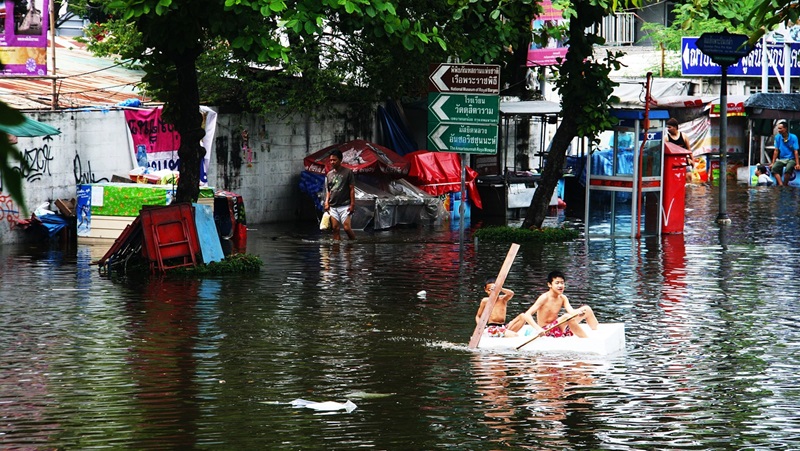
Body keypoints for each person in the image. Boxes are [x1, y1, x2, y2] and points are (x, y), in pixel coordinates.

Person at [507, 270, 598, 338]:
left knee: (587, 309)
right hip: (547, 331)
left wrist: (579, 313)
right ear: (550, 285)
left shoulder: (563, 297)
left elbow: (571, 312)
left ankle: (597, 333)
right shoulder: (544, 297)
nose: (560, 286)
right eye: (557, 283)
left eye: (562, 283)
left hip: (558, 327)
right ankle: (586, 340)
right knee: (566, 317)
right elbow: (527, 314)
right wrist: (538, 329)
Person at [324, 149, 356, 240]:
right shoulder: (329, 174)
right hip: (333, 206)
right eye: (330, 160)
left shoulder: (348, 172)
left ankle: (353, 244)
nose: (332, 162)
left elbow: (352, 189)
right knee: (335, 229)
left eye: (334, 160)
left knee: (346, 228)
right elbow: (328, 190)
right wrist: (326, 202)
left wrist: (352, 204)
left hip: (345, 205)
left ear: (340, 160)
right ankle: (335, 251)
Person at [770, 119, 800, 186]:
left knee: (788, 169)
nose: (779, 130)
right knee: (774, 168)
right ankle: (781, 185)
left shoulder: (793, 137)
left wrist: (797, 164)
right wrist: (772, 163)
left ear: (785, 128)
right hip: (782, 159)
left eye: (780, 128)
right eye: (778, 128)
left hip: (791, 159)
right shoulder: (777, 137)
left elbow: (796, 151)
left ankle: (785, 184)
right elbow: (776, 150)